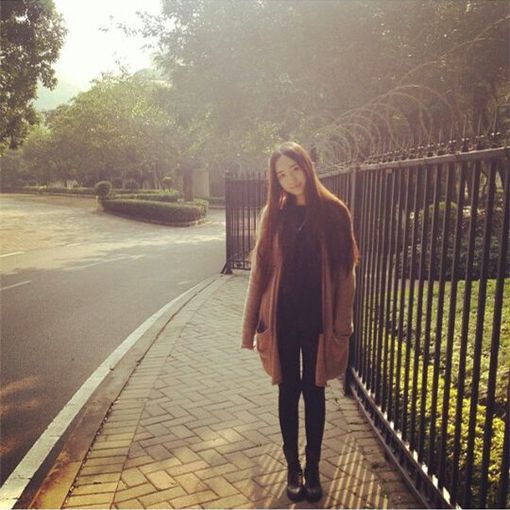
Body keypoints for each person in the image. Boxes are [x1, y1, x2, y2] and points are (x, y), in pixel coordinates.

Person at [241, 141, 358, 502]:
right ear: (275, 180)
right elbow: (259, 271)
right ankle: (292, 466)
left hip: (319, 319)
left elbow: (346, 273)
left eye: (294, 169)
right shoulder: (273, 213)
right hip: (282, 319)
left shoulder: (335, 212)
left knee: (315, 390)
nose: (290, 179)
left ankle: (313, 467)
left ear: (307, 166)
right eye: (281, 174)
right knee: (288, 390)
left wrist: (341, 325)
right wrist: (249, 326)